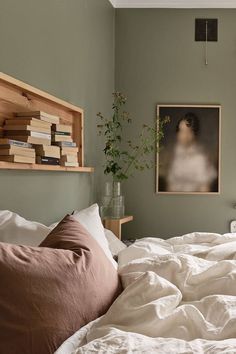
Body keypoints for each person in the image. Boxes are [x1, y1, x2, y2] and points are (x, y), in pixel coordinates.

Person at [167, 113, 217, 192]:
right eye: (180, 131)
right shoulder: (177, 154)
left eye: (186, 131)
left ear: (193, 134)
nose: (181, 135)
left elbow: (204, 190)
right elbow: (170, 186)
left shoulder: (200, 158)